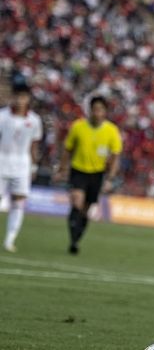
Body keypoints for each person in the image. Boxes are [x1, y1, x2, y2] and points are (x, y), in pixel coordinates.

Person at [54, 96, 122, 255]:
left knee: (85, 210)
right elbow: (68, 149)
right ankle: (72, 240)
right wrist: (62, 169)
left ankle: (76, 239)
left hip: (97, 174)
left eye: (101, 110)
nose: (97, 113)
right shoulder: (78, 127)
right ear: (90, 110)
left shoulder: (111, 131)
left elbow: (115, 157)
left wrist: (110, 179)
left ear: (105, 112)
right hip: (78, 170)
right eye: (95, 109)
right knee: (77, 202)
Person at [0, 84, 42, 252]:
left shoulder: (34, 120)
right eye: (17, 96)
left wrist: (33, 166)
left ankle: (10, 240)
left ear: (28, 99)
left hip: (22, 165)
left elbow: (34, 145)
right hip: (2, 161)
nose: (20, 100)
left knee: (18, 202)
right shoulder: (2, 116)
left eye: (23, 97)